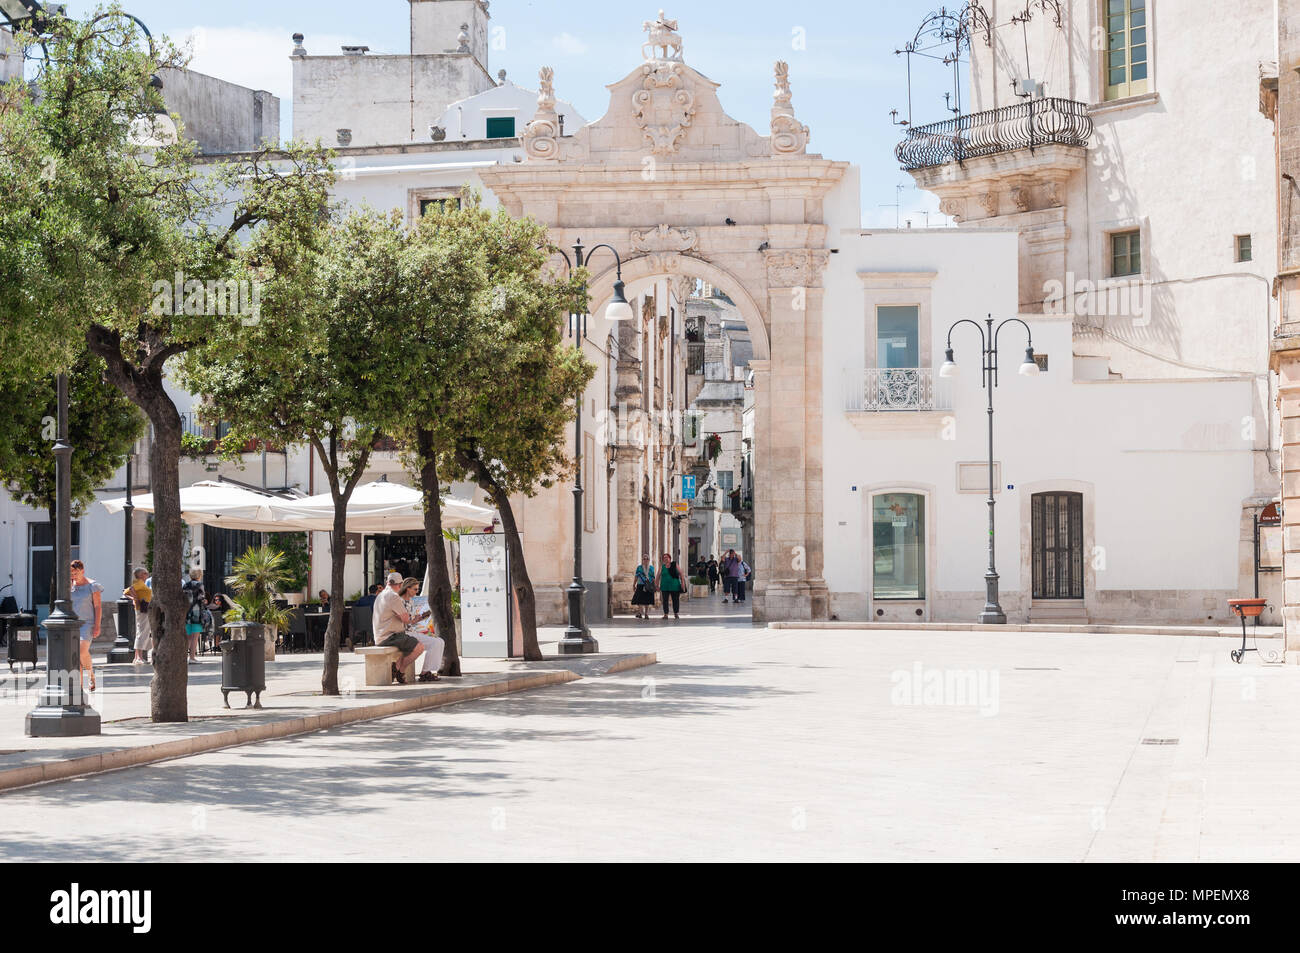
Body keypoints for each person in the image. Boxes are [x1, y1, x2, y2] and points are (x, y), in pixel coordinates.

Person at [372, 571, 425, 684]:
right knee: (419, 647)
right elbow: (405, 619)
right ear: (400, 585)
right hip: (390, 636)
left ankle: (396, 667)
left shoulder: (380, 595)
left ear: (387, 583)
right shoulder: (393, 596)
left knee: (409, 645)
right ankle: (400, 671)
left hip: (380, 636)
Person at [399, 577, 444, 683]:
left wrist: (421, 617)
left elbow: (411, 621)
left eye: (417, 589)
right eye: (415, 589)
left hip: (412, 632)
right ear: (407, 588)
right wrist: (413, 620)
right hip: (405, 633)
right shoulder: (400, 602)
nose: (416, 591)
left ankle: (427, 671)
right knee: (436, 643)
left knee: (440, 642)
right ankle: (425, 673)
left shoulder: (410, 601)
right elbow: (403, 621)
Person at [69, 560, 103, 692]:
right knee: (75, 655)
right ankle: (80, 685)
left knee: (82, 651)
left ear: (82, 571)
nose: (73, 575)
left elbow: (98, 606)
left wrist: (97, 626)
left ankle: (91, 675)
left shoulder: (92, 586)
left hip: (87, 624)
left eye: (76, 572)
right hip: (72, 624)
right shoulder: (69, 586)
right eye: (71, 573)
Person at [123, 567, 152, 665]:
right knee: (142, 632)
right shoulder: (139, 583)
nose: (147, 574)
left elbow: (126, 592)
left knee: (141, 631)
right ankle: (139, 657)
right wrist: (135, 598)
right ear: (141, 575)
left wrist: (134, 599)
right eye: (145, 573)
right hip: (142, 609)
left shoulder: (140, 584)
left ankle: (137, 657)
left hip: (141, 609)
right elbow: (128, 590)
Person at [182, 568, 206, 662]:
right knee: (195, 636)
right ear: (199, 575)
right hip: (196, 613)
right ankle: (192, 657)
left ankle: (184, 657)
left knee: (188, 637)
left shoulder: (185, 585)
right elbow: (202, 598)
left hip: (186, 612)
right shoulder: (199, 585)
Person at [631, 555, 656, 619]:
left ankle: (646, 613)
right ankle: (640, 612)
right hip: (640, 584)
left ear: (649, 560)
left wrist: (654, 585)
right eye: (644, 559)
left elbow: (653, 577)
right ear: (642, 560)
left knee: (647, 600)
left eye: (647, 559)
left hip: (648, 585)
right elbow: (636, 576)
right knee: (639, 599)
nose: (645, 560)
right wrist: (634, 584)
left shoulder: (651, 568)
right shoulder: (639, 568)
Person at [659, 553, 682, 619]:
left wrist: (682, 583)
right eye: (664, 558)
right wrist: (656, 584)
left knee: (675, 600)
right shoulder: (662, 566)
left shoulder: (674, 565)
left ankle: (676, 613)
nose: (665, 559)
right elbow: (658, 575)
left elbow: (681, 573)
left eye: (667, 557)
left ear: (670, 558)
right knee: (665, 600)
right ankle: (666, 614)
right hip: (664, 586)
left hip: (675, 586)